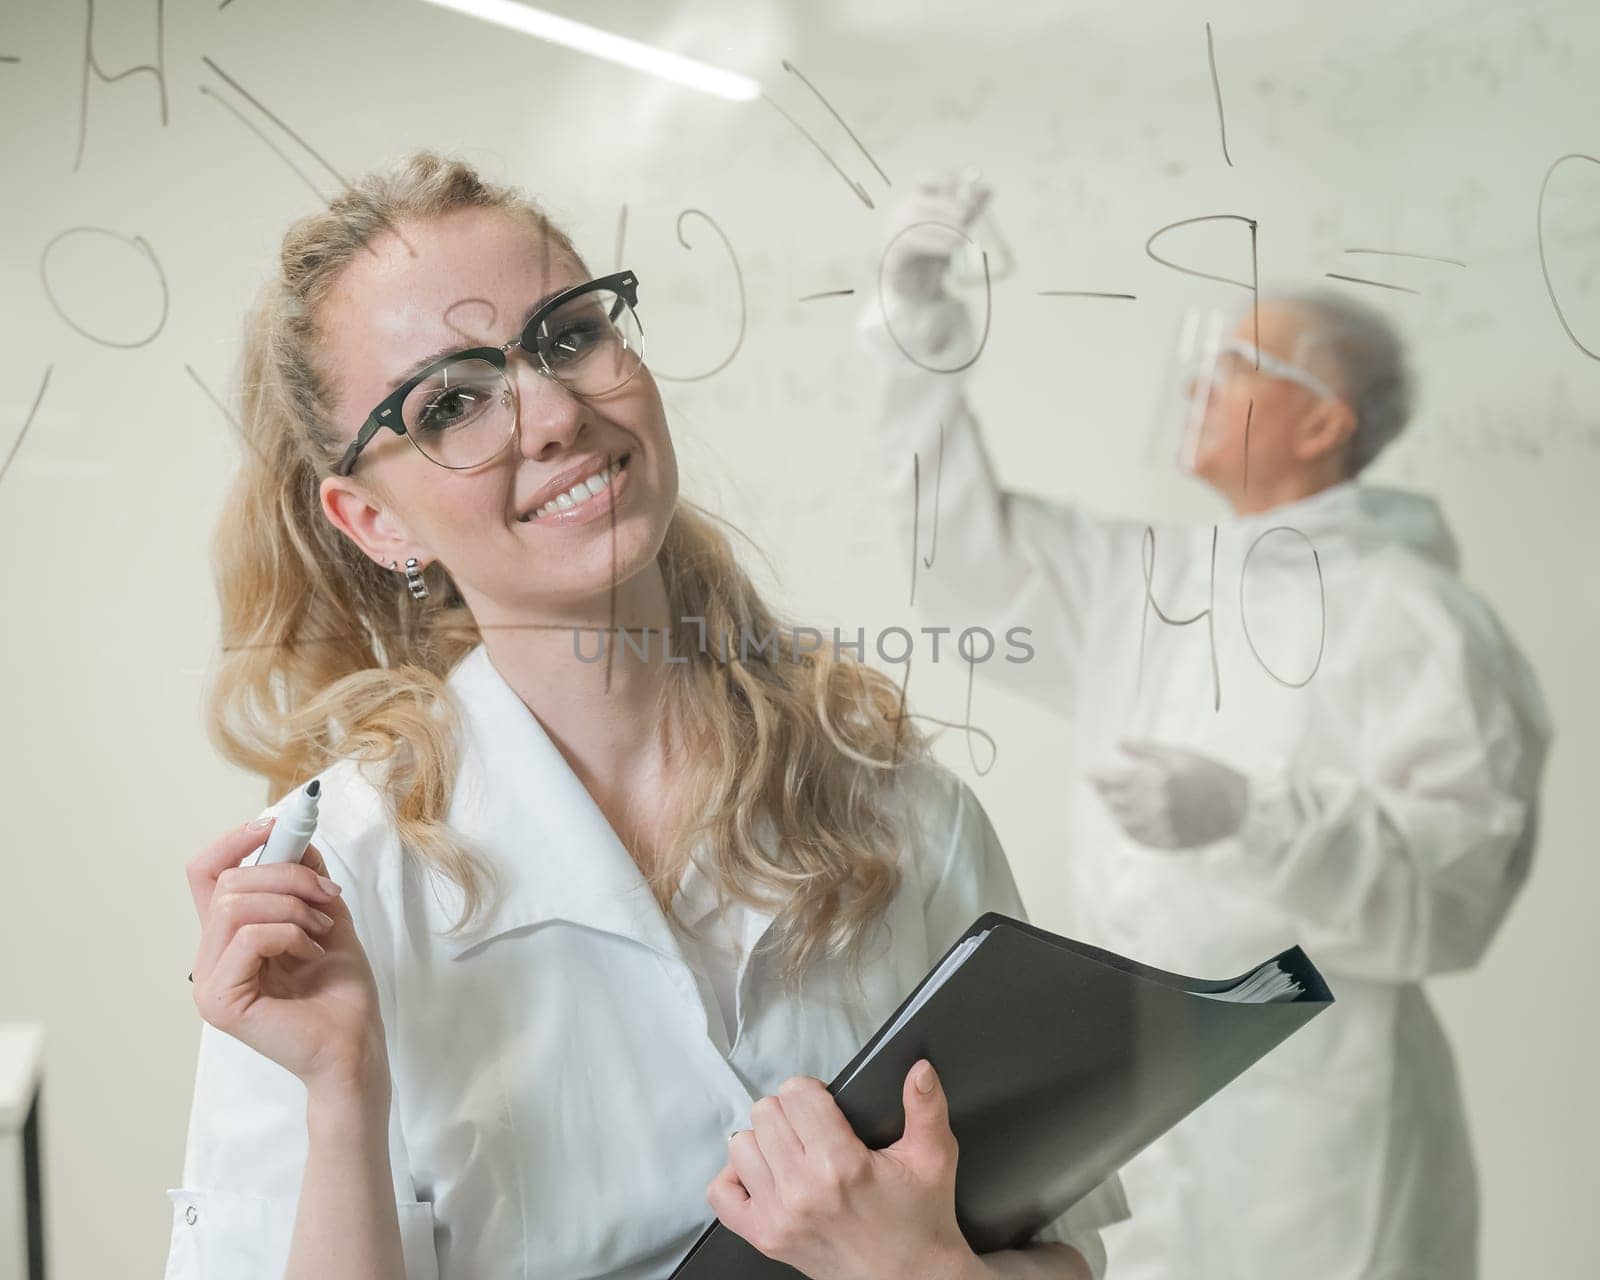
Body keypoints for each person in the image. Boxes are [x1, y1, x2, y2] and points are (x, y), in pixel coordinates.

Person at [164, 151, 1128, 1280]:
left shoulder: (899, 806)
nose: (556, 413)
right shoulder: (338, 892)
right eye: (452, 402)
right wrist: (341, 1094)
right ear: (372, 518)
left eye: (568, 335)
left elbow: (1057, 1251)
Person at [859, 172, 1552, 1280]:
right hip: (1140, 1092)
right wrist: (915, 323)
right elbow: (961, 557)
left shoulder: (1412, 616)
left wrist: (1253, 817)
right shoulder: (1158, 579)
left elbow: (1453, 896)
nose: (1198, 381)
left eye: (1239, 365)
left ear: (1323, 421)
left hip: (1322, 1126)